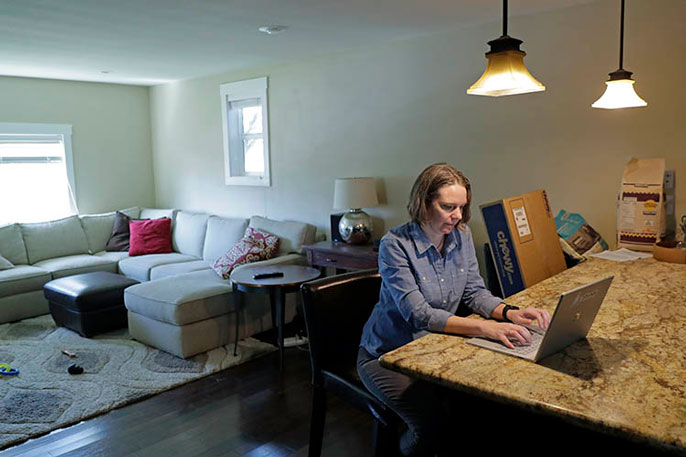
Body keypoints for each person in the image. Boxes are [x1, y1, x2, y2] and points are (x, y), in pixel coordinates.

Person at [357, 163, 551, 457]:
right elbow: (418, 314)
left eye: (462, 207)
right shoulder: (395, 244)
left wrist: (508, 312)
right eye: (448, 206)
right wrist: (486, 328)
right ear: (423, 203)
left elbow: (474, 292)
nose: (458, 215)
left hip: (435, 350)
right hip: (387, 354)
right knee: (431, 425)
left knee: (479, 409)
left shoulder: (461, 235)